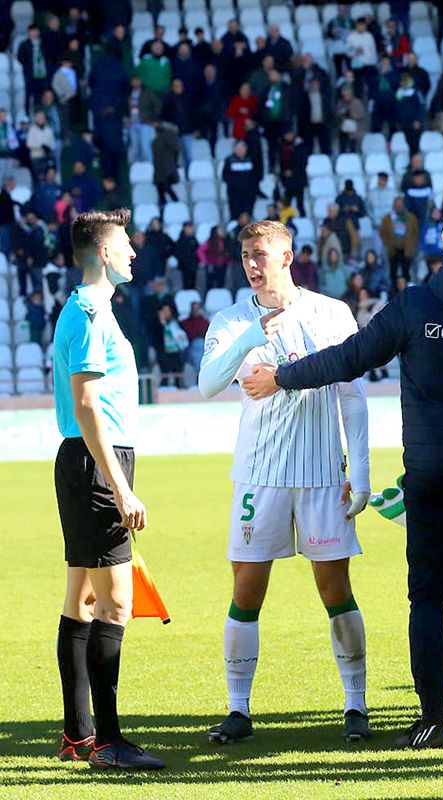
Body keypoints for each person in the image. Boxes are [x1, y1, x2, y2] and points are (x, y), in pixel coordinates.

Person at [241, 209, 443, 747]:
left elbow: (348, 359)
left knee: (428, 598)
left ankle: (429, 718)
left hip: (432, 470)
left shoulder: (415, 305)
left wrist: (281, 377)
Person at [195, 221, 372, 744]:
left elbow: (352, 395)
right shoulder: (231, 320)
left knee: (335, 588)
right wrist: (253, 334)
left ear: (288, 257)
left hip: (321, 475)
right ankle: (238, 709)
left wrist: (358, 473)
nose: (252, 264)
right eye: (246, 255)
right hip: (259, 477)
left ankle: (356, 706)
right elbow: (207, 384)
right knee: (246, 591)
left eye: (261, 254)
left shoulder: (331, 313)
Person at [52, 208, 164, 769]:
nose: (133, 253)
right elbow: (88, 403)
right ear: (103, 253)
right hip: (98, 462)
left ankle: (79, 735)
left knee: (83, 598)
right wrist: (121, 487)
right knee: (116, 603)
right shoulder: (91, 313)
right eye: (125, 244)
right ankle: (110, 742)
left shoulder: (90, 308)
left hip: (87, 461)